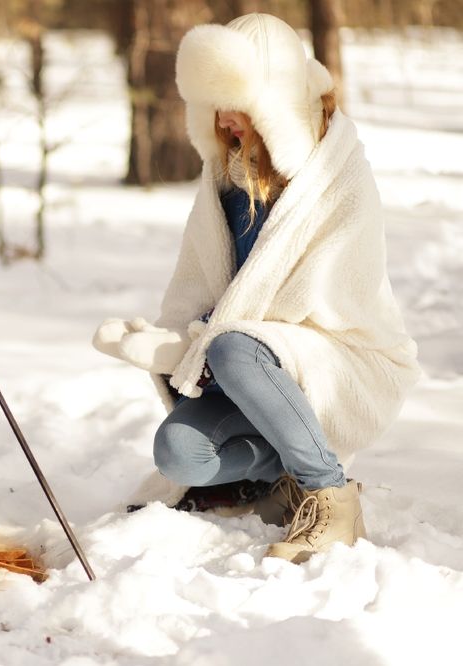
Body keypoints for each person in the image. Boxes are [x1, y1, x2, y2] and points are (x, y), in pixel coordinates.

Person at [93, 13, 420, 563]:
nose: (223, 119)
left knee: (233, 345)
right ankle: (279, 473)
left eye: (235, 101)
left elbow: (327, 301)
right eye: (212, 104)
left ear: (274, 101)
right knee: (179, 453)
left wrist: (212, 343)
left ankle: (329, 495)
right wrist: (169, 342)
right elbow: (201, 285)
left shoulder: (336, 177)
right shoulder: (225, 175)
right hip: (244, 365)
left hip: (339, 357)